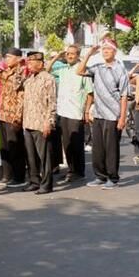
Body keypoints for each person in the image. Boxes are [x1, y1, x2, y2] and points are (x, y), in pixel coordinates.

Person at [77, 39, 129, 189]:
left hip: (113, 115)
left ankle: (113, 178)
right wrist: (89, 54)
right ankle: (100, 176)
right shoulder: (97, 67)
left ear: (115, 52)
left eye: (108, 49)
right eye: (103, 49)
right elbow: (79, 71)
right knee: (98, 148)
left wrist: (122, 118)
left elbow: (124, 95)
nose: (105, 51)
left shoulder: (120, 70)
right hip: (99, 113)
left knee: (111, 148)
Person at [49, 45, 93, 184]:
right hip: (63, 110)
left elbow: (90, 93)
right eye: (67, 54)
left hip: (76, 111)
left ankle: (78, 172)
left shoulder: (82, 69)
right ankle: (71, 170)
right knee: (66, 143)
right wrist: (57, 56)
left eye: (72, 54)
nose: (69, 56)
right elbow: (46, 70)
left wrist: (86, 110)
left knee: (76, 144)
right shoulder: (63, 69)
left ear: (78, 55)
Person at [0, 48, 28, 188]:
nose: (6, 59)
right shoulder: (5, 72)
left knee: (16, 146)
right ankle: (7, 175)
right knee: (5, 147)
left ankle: (19, 177)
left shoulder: (22, 72)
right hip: (3, 113)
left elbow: (21, 95)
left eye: (10, 57)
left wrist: (18, 117)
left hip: (14, 115)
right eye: (6, 57)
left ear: (18, 58)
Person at [22, 51, 58, 194]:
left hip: (41, 122)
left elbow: (52, 103)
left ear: (40, 63)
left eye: (32, 62)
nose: (29, 65)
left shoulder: (48, 79)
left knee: (44, 156)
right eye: (28, 62)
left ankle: (46, 184)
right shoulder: (29, 79)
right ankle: (34, 180)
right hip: (28, 122)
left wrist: (49, 122)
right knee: (31, 156)